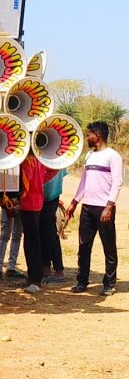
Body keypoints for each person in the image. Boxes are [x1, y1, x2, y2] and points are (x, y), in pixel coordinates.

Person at [67, 121, 121, 295]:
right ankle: (82, 281)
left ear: (97, 136)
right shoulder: (89, 156)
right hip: (87, 208)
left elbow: (117, 183)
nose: (87, 137)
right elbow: (84, 182)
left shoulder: (113, 156)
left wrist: (109, 206)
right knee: (84, 247)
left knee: (109, 247)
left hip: (104, 209)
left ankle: (109, 284)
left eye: (89, 134)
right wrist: (75, 202)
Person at [17, 153, 56, 294]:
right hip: (30, 202)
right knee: (29, 241)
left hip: (30, 202)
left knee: (32, 242)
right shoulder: (39, 158)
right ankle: (32, 276)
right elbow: (54, 168)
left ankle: (36, 280)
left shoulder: (30, 159)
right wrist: (41, 181)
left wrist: (38, 182)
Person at [41, 167, 67, 283]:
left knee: (50, 233)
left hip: (49, 195)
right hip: (46, 194)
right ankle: (46, 267)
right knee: (44, 232)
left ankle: (58, 270)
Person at [0, 201, 24, 282]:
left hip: (16, 203)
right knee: (11, 236)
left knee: (10, 236)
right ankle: (4, 268)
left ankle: (4, 269)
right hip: (9, 202)